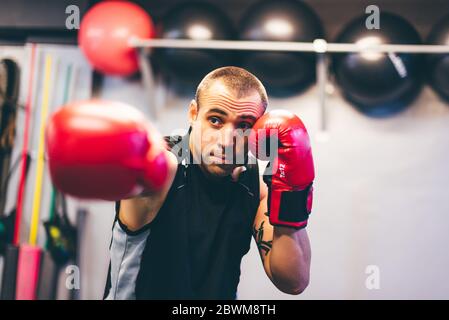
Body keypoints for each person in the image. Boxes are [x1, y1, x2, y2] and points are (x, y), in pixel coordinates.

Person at [46, 66, 315, 299]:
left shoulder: (256, 185)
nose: (226, 140)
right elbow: (136, 184)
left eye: (244, 126)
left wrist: (292, 190)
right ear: (193, 113)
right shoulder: (164, 165)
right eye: (215, 120)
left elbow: (294, 281)